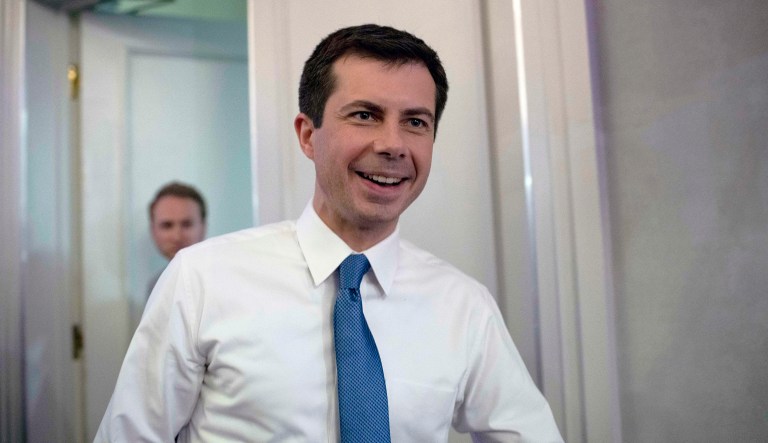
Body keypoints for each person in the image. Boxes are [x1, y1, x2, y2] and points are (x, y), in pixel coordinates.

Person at [95, 24, 563, 442]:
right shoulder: (202, 281)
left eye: (416, 122)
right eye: (364, 115)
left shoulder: (464, 307)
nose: (393, 145)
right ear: (307, 135)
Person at [145, 181, 207, 295]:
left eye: (187, 224)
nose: (177, 237)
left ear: (203, 227)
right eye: (167, 226)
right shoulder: (156, 286)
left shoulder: (222, 280)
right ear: (153, 230)